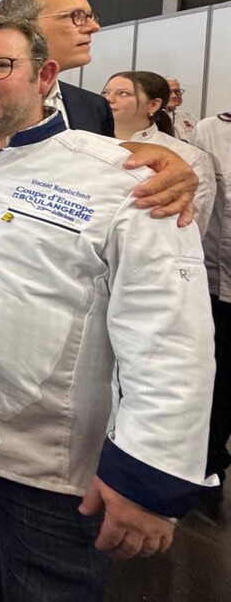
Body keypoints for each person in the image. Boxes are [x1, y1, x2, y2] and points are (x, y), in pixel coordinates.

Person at [0, 15, 216, 602]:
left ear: (45, 77)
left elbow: (171, 339)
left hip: (47, 466)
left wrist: (149, 474)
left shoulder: (124, 180)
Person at [0, 0, 112, 134]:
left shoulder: (94, 107)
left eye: (90, 17)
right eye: (76, 16)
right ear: (22, 25)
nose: (94, 27)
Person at [103, 72, 216, 233]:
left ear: (153, 105)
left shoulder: (189, 156)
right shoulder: (84, 141)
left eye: (123, 93)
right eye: (105, 93)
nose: (109, 99)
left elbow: (191, 226)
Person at [191, 113, 231, 504]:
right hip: (218, 282)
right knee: (217, 378)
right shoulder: (211, 131)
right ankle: (209, 463)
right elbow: (201, 200)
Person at [166, 77, 198, 142]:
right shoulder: (152, 118)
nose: (174, 95)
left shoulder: (188, 117)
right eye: (169, 92)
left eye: (177, 91)